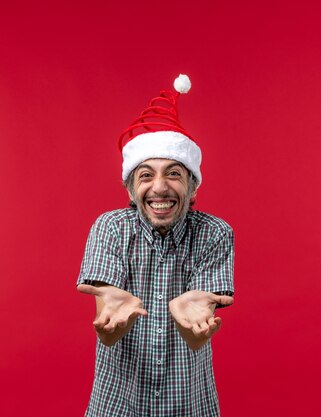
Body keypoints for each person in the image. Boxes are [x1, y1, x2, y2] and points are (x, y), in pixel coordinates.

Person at [76, 74, 235, 417]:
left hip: (190, 403)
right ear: (131, 191)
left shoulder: (215, 233)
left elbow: (197, 336)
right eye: (146, 175)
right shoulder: (110, 229)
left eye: (174, 174)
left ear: (193, 188)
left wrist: (192, 329)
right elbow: (108, 327)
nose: (159, 187)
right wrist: (109, 321)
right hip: (117, 403)